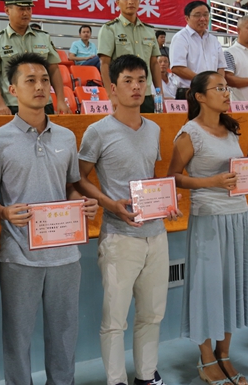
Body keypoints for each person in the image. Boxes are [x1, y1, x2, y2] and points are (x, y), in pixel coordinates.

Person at [0, 53, 98, 385]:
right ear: (12, 90)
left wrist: (81, 203)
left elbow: (71, 187)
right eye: (30, 80)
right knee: (17, 337)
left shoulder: (66, 137)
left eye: (45, 79)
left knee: (64, 334)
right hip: (19, 255)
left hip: (65, 253)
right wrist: (4, 212)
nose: (40, 86)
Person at [76, 55, 182, 385]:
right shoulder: (97, 131)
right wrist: (111, 204)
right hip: (119, 236)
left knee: (152, 314)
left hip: (156, 233)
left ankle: (146, 375)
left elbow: (149, 177)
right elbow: (79, 178)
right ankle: (116, 380)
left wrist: (166, 201)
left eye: (141, 80)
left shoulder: (154, 128)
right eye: (128, 81)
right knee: (114, 320)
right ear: (113, 88)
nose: (136, 87)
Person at [167, 72, 248, 385]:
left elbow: (236, 171)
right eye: (219, 88)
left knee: (231, 285)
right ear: (199, 96)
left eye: (226, 87)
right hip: (209, 217)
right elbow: (173, 177)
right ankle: (206, 357)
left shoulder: (231, 128)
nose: (226, 93)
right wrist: (211, 181)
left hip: (238, 215)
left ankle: (224, 354)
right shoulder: (190, 133)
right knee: (207, 287)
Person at [0, 0, 70, 115]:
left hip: (43, 103)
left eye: (29, 9)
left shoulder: (43, 37)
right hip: (13, 105)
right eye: (21, 9)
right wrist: (0, 105)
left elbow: (54, 70)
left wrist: (61, 100)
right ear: (7, 11)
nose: (26, 13)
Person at [98, 0, 162, 113]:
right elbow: (104, 64)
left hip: (145, 94)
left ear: (140, 1)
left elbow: (154, 64)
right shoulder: (110, 29)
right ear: (117, 3)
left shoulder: (149, 30)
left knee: (149, 127)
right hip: (122, 94)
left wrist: (159, 94)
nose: (131, 2)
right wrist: (111, 95)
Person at [170, 1, 226, 98]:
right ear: (187, 18)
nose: (203, 19)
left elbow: (221, 67)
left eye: (206, 15)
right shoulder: (181, 37)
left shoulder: (213, 40)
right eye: (197, 15)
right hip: (189, 92)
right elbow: (177, 68)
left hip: (212, 91)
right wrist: (203, 81)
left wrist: (217, 84)